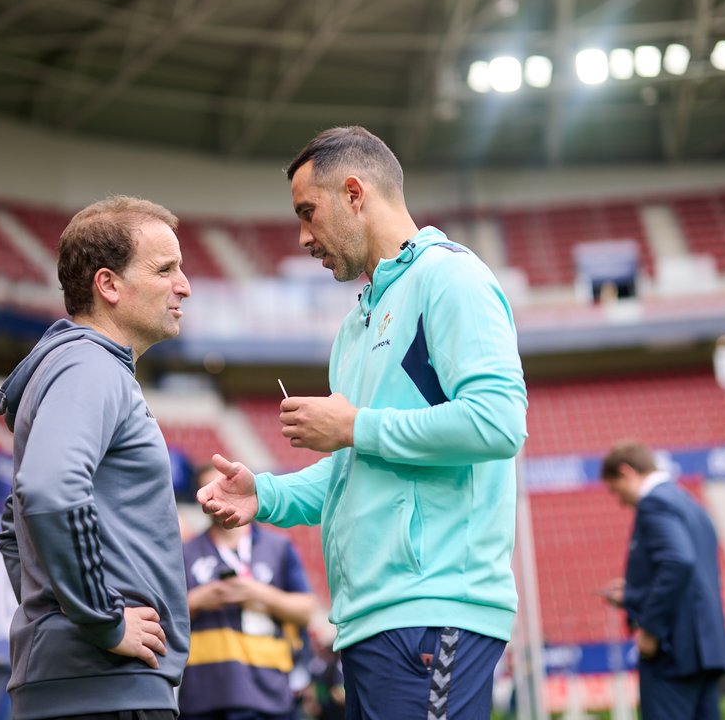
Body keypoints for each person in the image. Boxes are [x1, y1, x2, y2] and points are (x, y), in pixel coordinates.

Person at [198, 126, 528, 719]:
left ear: (354, 193)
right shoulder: (356, 324)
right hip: (372, 618)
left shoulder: (450, 278)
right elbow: (355, 468)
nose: (302, 237)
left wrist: (355, 427)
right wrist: (263, 494)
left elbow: (499, 423)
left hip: (434, 608)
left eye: (308, 212)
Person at [0, 196, 193, 720]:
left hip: (80, 683)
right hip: (107, 689)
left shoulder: (75, 368)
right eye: (166, 269)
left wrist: (59, 614)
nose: (184, 285)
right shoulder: (91, 368)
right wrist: (100, 619)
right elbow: (47, 491)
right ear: (109, 285)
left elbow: (13, 529)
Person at [599, 440, 725, 720]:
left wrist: (650, 629)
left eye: (616, 490)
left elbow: (678, 561)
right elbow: (690, 573)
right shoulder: (691, 503)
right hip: (705, 650)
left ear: (626, 472)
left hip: (672, 653)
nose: (620, 501)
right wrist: (633, 593)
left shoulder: (654, 503)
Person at [180, 464, 317, 720]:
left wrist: (259, 593)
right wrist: (198, 601)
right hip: (204, 695)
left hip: (270, 693)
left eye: (224, 489)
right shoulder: (186, 553)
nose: (218, 498)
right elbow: (164, 619)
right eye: (210, 491)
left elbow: (306, 611)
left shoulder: (278, 547)